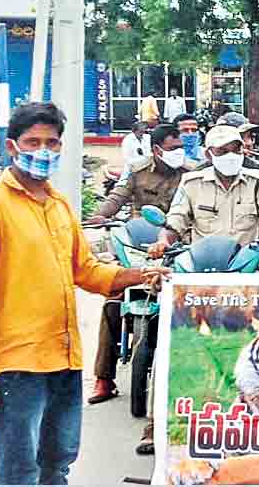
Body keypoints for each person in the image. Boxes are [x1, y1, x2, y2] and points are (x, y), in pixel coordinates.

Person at [0, 102, 169, 485]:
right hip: (16, 367)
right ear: (12, 147)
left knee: (58, 465)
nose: (43, 150)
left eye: (51, 142)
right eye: (32, 141)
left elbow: (86, 271)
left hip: (64, 361)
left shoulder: (59, 205)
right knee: (19, 471)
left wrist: (143, 274)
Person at [83, 123, 195, 400]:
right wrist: (100, 215)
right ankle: (103, 379)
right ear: (157, 150)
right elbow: (117, 197)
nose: (179, 153)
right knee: (113, 300)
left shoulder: (193, 173)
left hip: (181, 245)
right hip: (140, 245)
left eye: (181, 148)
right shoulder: (137, 170)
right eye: (173, 148)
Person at [148, 124, 259, 258]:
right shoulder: (191, 182)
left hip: (246, 261)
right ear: (209, 155)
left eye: (235, 150)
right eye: (222, 151)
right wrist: (163, 241)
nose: (230, 156)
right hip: (202, 262)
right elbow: (177, 217)